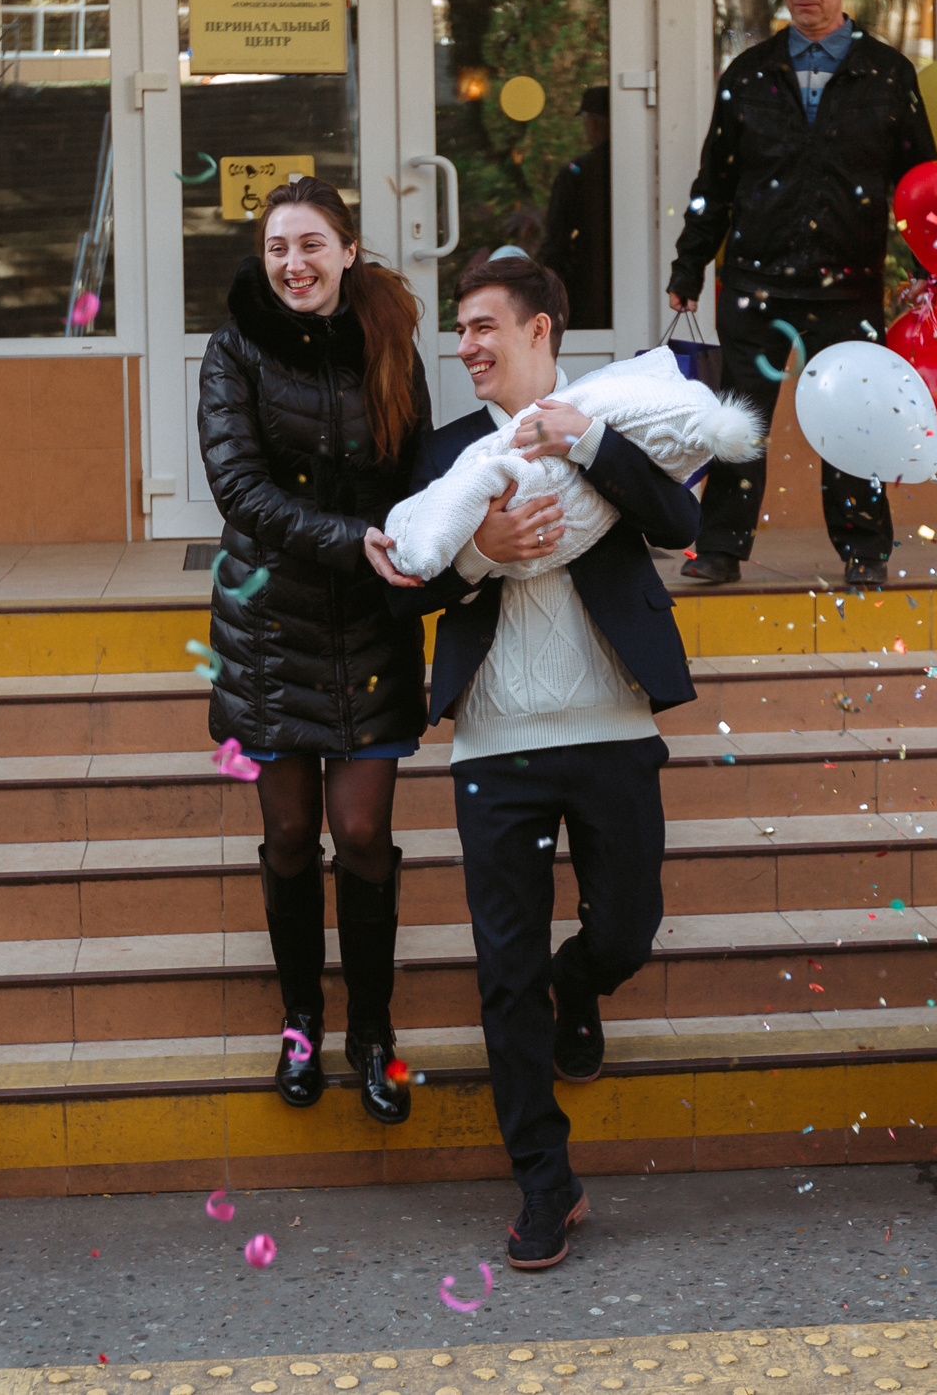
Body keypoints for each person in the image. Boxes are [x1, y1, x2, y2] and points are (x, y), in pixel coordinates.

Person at [363, 254, 700, 1272]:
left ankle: (580, 984)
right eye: (460, 329)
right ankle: (544, 1183)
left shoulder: (614, 415)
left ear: (540, 329)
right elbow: (405, 579)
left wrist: (587, 442)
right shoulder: (447, 450)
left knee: (627, 929)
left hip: (612, 725)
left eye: (483, 326)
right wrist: (484, 550)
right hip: (494, 743)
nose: (465, 345)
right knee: (505, 976)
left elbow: (680, 523)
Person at [198, 177, 430, 1127]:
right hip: (270, 628)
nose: (293, 264)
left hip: (371, 622)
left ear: (347, 249)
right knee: (292, 834)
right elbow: (238, 488)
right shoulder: (235, 346)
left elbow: (418, 471)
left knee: (363, 833)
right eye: (277, 248)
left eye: (310, 245)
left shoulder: (390, 339)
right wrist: (350, 538)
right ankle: (301, 1022)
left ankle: (372, 1031)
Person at [666, 0, 937, 590]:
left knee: (854, 420)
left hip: (848, 286)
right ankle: (720, 548)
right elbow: (714, 182)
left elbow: (920, 183)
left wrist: (928, 270)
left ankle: (865, 549)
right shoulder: (749, 74)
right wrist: (688, 265)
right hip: (755, 283)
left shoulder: (887, 74)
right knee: (740, 421)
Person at [536, 85, 611, 333]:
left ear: (593, 121)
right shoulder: (639, 169)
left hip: (587, 290)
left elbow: (557, 238)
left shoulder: (577, 174)